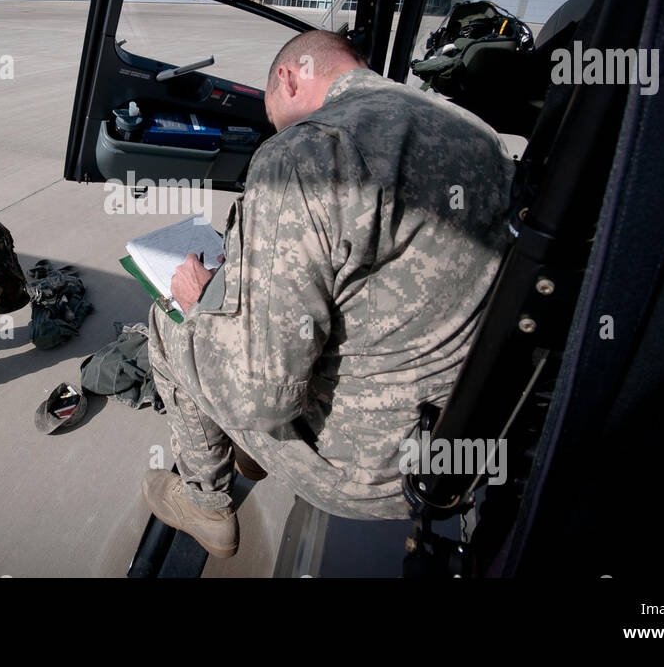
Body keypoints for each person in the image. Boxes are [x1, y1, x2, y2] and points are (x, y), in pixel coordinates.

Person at [141, 30, 515, 557]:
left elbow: (260, 397)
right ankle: (251, 456)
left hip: (368, 474)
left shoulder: (305, 154)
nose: (276, 130)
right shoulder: (475, 131)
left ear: (288, 78)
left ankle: (206, 503)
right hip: (463, 441)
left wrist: (198, 301)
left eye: (273, 113)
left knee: (169, 317)